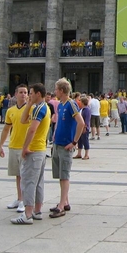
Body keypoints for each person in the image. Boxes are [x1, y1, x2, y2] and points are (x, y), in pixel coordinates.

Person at [11, 83, 51, 224]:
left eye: (31, 93)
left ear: (38, 94)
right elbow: (23, 120)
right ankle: (37, 211)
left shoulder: (39, 109)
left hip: (34, 150)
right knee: (38, 181)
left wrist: (25, 147)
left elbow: (32, 129)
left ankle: (27, 214)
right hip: (40, 149)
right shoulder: (42, 107)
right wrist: (29, 103)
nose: (29, 95)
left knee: (28, 181)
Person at [50, 78, 85, 218]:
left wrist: (74, 142)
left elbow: (81, 123)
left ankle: (61, 206)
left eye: (56, 89)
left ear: (62, 90)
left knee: (65, 176)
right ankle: (65, 202)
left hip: (66, 145)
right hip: (57, 143)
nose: (54, 91)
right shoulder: (60, 105)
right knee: (60, 175)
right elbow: (58, 121)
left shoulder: (71, 104)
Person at [0, 84, 29, 214]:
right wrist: (1, 145)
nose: (23, 94)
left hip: (26, 146)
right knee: (17, 175)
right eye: (21, 92)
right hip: (14, 145)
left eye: (25, 92)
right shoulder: (11, 111)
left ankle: (25, 200)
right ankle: (19, 198)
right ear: (16, 94)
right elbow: (6, 128)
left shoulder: (31, 109)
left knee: (25, 175)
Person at [74, 94, 91, 159]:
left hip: (84, 128)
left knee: (85, 141)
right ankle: (79, 153)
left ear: (83, 102)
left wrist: (84, 128)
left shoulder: (86, 110)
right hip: (81, 127)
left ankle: (86, 154)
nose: (79, 103)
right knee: (80, 141)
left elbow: (86, 120)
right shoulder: (82, 109)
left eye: (80, 102)